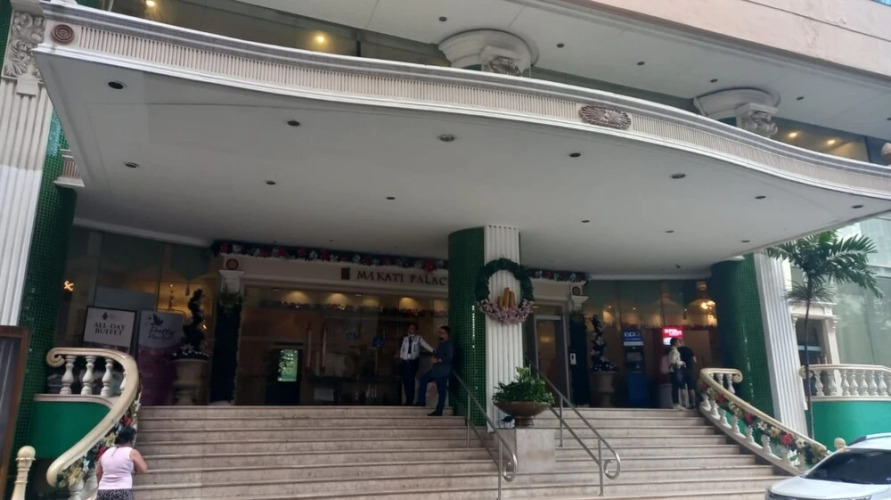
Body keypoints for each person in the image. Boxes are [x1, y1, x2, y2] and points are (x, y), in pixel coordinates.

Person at [96, 426, 148, 500]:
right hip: (123, 490)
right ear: (132, 439)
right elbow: (143, 469)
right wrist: (134, 470)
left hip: (103, 490)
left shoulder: (106, 453)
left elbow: (98, 472)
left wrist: (103, 484)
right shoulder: (132, 452)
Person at [415, 326, 454, 416]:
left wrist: (438, 360)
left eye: (442, 333)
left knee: (441, 391)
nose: (440, 335)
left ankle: (439, 411)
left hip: (442, 371)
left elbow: (449, 357)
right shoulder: (441, 344)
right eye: (439, 333)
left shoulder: (449, 345)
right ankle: (421, 401)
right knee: (423, 379)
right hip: (436, 370)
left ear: (447, 334)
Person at [398, 322, 434, 405]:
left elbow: (426, 345)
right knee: (405, 381)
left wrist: (434, 351)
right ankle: (407, 399)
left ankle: (410, 400)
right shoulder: (405, 339)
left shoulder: (418, 338)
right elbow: (402, 349)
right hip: (404, 362)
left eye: (413, 328)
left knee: (410, 381)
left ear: (415, 330)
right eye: (410, 328)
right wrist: (400, 358)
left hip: (412, 362)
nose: (411, 330)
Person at [677, 339, 697, 409]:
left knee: (682, 387)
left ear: (679, 343)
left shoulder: (677, 350)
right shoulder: (689, 350)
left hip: (681, 370)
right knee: (691, 387)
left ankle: (683, 403)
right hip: (690, 370)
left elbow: (677, 361)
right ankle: (693, 403)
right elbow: (695, 360)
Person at [668, 338, 686, 410]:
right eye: (678, 342)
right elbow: (674, 362)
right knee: (676, 386)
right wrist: (682, 363)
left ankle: (675, 403)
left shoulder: (671, 351)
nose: (679, 343)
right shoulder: (675, 351)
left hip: (672, 371)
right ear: (675, 343)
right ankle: (676, 403)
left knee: (675, 387)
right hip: (676, 370)